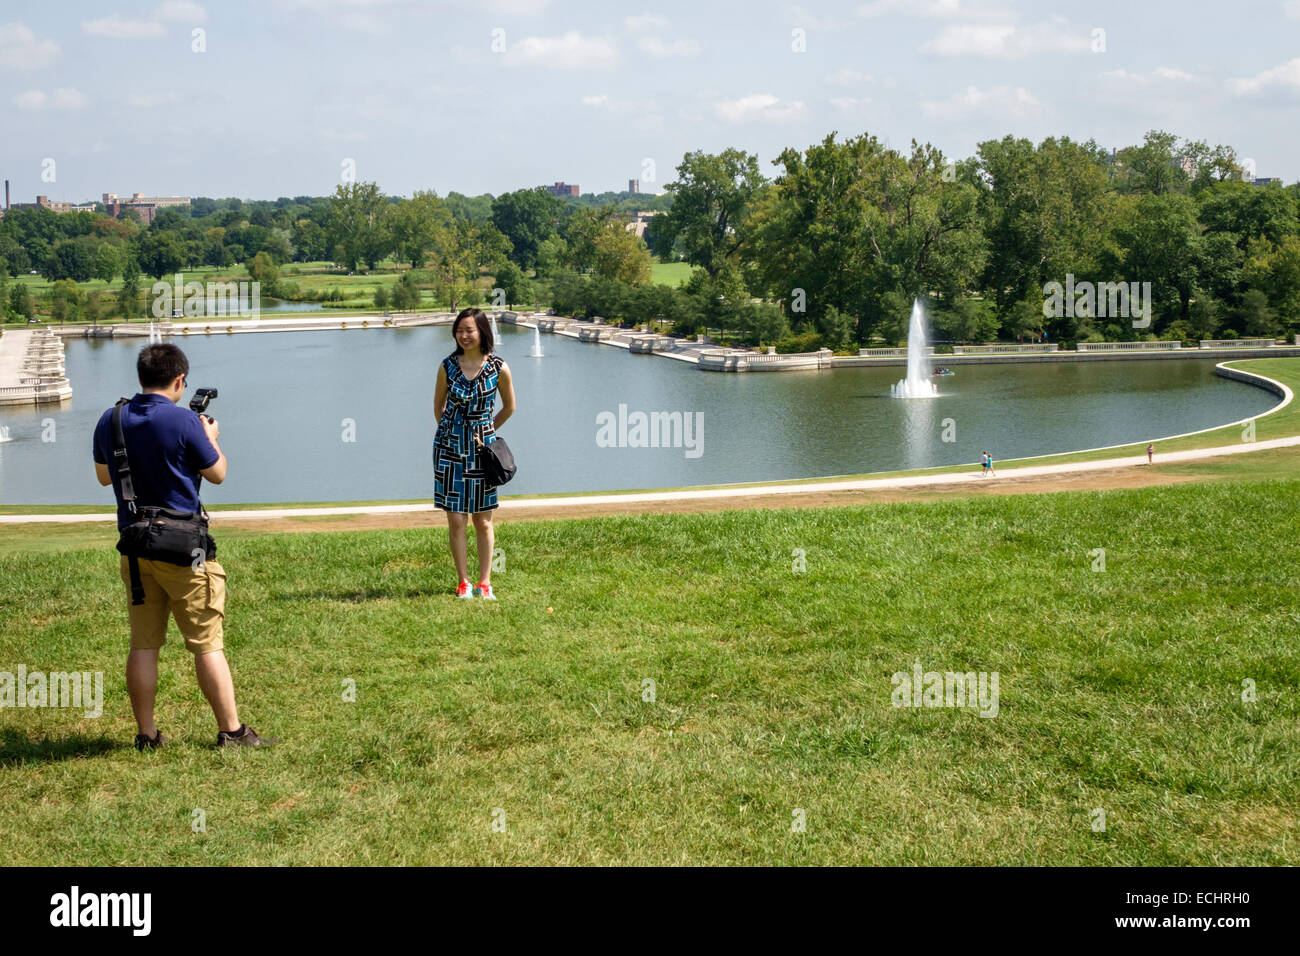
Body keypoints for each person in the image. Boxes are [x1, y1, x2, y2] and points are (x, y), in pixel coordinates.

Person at [93, 344, 276, 749]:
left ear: (142, 377)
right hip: (185, 549)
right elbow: (219, 474)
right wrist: (210, 437)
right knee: (207, 643)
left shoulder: (111, 419)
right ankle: (232, 732)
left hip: (136, 547)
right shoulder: (186, 422)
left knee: (143, 644)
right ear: (179, 381)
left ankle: (147, 734)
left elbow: (105, 477)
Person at [434, 308, 516, 599]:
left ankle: (484, 582)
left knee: (483, 520)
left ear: (482, 332)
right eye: (459, 330)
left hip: (483, 453)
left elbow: (509, 407)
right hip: (450, 449)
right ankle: (463, 582)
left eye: (469, 330)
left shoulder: (498, 367)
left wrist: (486, 431)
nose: (464, 335)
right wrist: (451, 433)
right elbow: (438, 407)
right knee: (456, 520)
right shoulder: (447, 366)